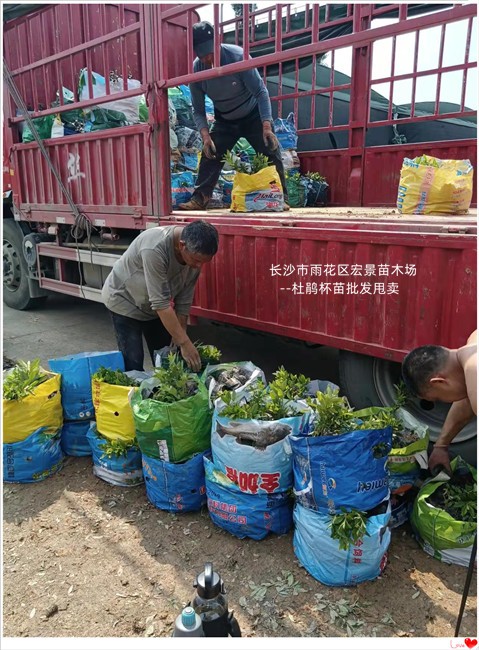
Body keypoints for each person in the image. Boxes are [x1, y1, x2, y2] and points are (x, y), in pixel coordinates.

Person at [179, 20, 289, 212]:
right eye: (202, 55)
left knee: (271, 150)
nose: (208, 59)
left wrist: (266, 126)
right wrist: (205, 136)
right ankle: (200, 198)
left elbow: (261, 92)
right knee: (210, 154)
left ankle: (282, 197)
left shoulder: (238, 57)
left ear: (217, 42)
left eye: (210, 53)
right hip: (225, 119)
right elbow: (198, 110)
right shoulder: (197, 69)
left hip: (252, 113)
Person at [102, 220, 219, 372]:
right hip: (125, 301)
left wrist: (180, 336)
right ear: (182, 245)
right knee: (133, 364)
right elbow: (161, 304)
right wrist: (185, 343)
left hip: (153, 306)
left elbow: (183, 301)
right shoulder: (155, 248)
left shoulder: (193, 255)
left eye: (204, 262)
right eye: (196, 260)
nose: (198, 266)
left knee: (167, 361)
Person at [401, 330, 477, 474]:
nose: (443, 401)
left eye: (438, 399)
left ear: (439, 381)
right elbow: (467, 401)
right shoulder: (473, 342)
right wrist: (441, 446)